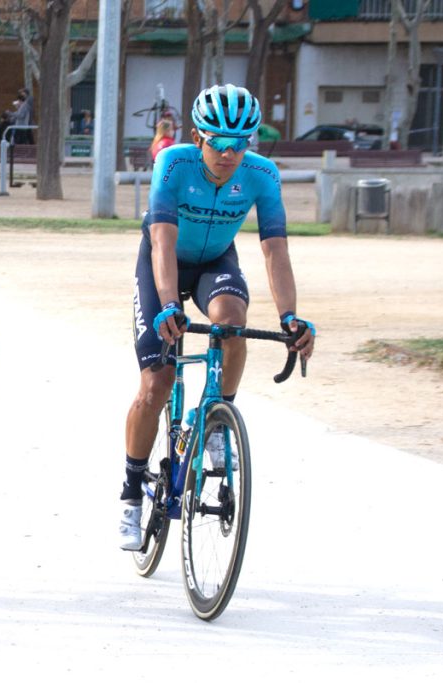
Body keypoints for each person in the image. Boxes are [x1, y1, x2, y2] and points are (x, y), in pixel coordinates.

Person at [118, 84, 316, 551]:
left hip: (214, 263)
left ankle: (218, 419)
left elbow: (275, 252)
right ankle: (129, 491)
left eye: (239, 144)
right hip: (162, 264)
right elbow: (163, 241)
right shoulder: (174, 161)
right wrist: (169, 304)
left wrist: (290, 316)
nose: (228, 154)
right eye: (218, 143)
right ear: (196, 136)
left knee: (232, 319)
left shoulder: (263, 175)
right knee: (157, 382)